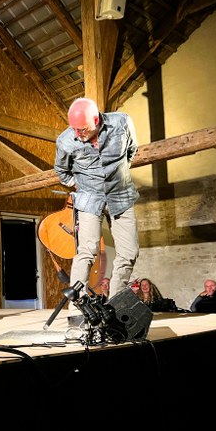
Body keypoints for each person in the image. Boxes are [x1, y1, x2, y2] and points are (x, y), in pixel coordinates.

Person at [54, 97, 140, 297]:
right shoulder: (65, 140)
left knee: (129, 252)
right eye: (74, 129)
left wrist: (119, 174)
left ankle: (116, 301)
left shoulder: (122, 122)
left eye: (82, 129)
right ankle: (78, 306)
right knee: (87, 251)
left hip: (121, 195)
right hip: (89, 199)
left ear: (96, 120)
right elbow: (62, 171)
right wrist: (80, 185)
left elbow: (131, 150)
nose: (78, 134)